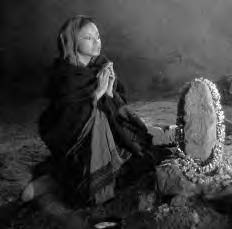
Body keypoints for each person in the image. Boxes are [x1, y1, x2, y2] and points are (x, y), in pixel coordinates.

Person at [21, 15, 172, 211]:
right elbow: (69, 123)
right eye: (88, 38)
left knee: (145, 152)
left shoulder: (100, 65)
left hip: (108, 135)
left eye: (98, 36)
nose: (96, 42)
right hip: (80, 145)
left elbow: (117, 107)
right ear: (73, 42)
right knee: (94, 182)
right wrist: (96, 94)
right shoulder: (65, 77)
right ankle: (56, 181)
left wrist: (108, 94)